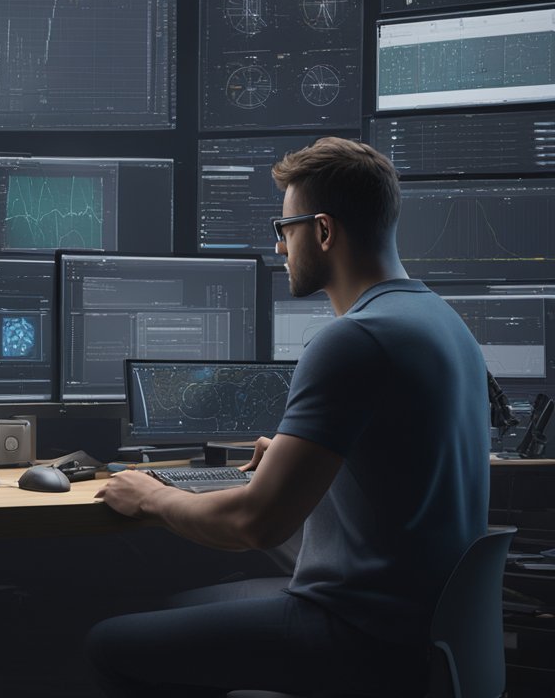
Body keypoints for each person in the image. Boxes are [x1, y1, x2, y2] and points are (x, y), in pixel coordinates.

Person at [86, 137, 489, 697]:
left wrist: (149, 496)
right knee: (180, 610)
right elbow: (406, 472)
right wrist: (299, 465)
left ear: (323, 231)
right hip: (423, 631)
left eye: (285, 229)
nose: (278, 247)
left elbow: (256, 523)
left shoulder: (354, 339)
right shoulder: (442, 322)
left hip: (356, 634)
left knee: (110, 644)